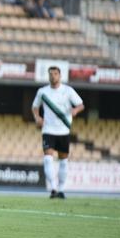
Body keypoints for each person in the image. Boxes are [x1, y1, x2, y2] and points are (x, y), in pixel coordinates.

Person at [32, 66, 84, 199]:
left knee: (63, 161)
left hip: (64, 130)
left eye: (55, 74)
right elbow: (35, 107)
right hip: (48, 130)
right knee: (48, 159)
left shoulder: (68, 90)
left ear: (60, 76)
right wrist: (37, 118)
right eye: (51, 74)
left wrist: (75, 111)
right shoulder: (42, 91)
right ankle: (53, 188)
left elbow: (80, 104)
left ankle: (61, 190)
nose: (53, 76)